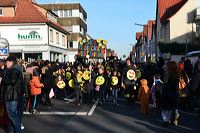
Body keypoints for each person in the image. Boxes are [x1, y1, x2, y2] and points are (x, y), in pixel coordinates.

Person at [2, 56, 24, 133]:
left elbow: (12, 80)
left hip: (12, 95)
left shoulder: (14, 70)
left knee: (12, 115)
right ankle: (13, 130)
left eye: (6, 62)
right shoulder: (16, 69)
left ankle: (18, 131)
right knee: (12, 115)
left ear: (10, 62)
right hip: (14, 95)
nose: (5, 64)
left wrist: (2, 80)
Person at [161, 61, 180, 126]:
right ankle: (175, 120)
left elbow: (165, 83)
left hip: (168, 92)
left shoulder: (168, 73)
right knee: (174, 106)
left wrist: (165, 72)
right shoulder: (177, 73)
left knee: (167, 107)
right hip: (175, 92)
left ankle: (166, 120)